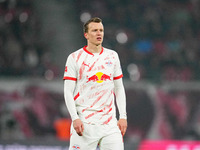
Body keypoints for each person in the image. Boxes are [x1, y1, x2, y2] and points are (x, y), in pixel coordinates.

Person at [63, 17, 127, 150]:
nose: (99, 33)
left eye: (101, 30)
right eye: (94, 30)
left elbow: (119, 88)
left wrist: (123, 116)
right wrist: (75, 118)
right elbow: (68, 91)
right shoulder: (75, 58)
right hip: (85, 123)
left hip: (109, 124)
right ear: (86, 34)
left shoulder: (112, 56)